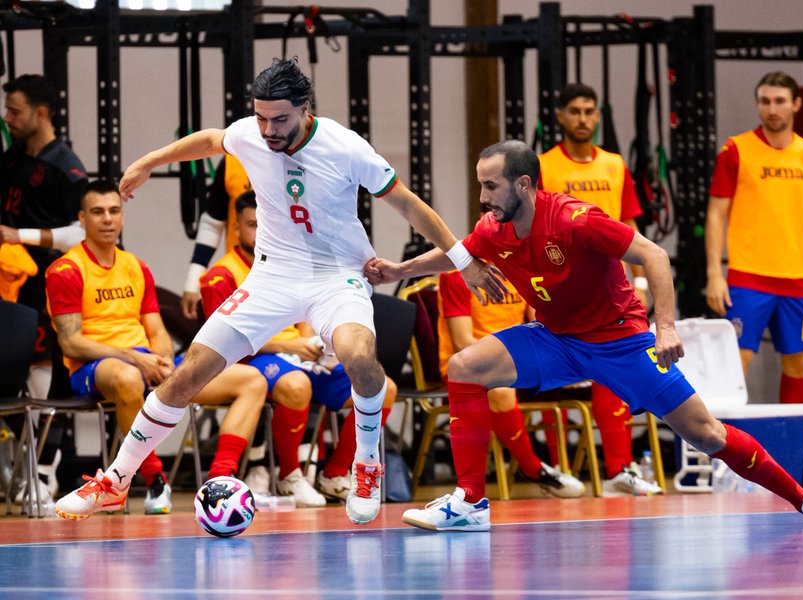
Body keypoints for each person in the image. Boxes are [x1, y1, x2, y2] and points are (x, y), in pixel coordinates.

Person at [55, 57, 504, 526]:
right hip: (272, 276)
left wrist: (463, 261)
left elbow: (411, 207)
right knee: (188, 375)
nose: (268, 129)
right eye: (261, 117)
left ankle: (366, 463)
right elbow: (211, 139)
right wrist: (149, 161)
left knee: (360, 358)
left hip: (337, 275)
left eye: (280, 119)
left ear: (306, 109)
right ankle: (116, 480)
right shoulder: (252, 131)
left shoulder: (345, 147)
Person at [365, 139, 803, 531]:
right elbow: (459, 253)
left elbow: (655, 255)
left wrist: (664, 325)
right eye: (480, 186)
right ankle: (471, 501)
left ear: (523, 184)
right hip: (555, 339)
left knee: (706, 434)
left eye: (491, 187)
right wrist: (398, 270)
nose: (482, 197)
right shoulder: (494, 228)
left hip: (619, 343)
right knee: (465, 367)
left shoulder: (576, 221)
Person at [47, 180, 267, 518]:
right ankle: (152, 480)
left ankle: (221, 477)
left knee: (251, 379)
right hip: (96, 367)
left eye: (114, 211)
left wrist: (163, 359)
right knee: (128, 377)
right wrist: (136, 357)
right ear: (82, 219)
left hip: (146, 360)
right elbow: (71, 341)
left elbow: (156, 329)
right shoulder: (66, 270)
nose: (108, 219)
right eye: (98, 212)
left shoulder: (136, 266)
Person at [198, 191, 398, 506]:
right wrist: (291, 345)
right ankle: (290, 476)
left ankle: (335, 474)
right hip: (254, 361)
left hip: (298, 355)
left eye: (267, 224)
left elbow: (308, 317)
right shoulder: (220, 275)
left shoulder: (292, 264)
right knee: (296, 384)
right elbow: (222, 345)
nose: (261, 232)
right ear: (236, 228)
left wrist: (314, 345)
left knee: (383, 388)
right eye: (252, 225)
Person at [538, 82, 660, 495]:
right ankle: (558, 470)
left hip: (611, 289)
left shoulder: (614, 164)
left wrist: (640, 281)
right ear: (560, 116)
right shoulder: (543, 166)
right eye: (574, 111)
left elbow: (630, 228)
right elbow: (526, 230)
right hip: (557, 287)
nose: (583, 119)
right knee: (555, 375)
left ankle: (618, 471)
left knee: (614, 370)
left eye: (590, 111)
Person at [705, 72, 803, 404]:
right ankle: (729, 454)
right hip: (747, 277)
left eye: (780, 101)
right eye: (765, 101)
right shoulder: (735, 149)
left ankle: (793, 452)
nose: (772, 109)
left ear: (796, 104)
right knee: (736, 363)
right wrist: (715, 273)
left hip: (798, 279)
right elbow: (716, 214)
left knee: (800, 363)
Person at [0, 74, 88, 501]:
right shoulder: (13, 157)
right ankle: (19, 469)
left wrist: (21, 237)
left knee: (43, 378)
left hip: (45, 289)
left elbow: (83, 232)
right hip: (8, 284)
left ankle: (40, 470)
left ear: (40, 113)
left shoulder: (65, 166)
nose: (7, 118)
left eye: (15, 110)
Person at [437, 269, 583, 498]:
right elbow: (462, 341)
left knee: (591, 370)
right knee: (501, 391)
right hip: (466, 364)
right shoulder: (456, 276)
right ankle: (533, 468)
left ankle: (593, 469)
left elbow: (540, 325)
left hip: (514, 360)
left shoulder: (521, 270)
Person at [182, 154, 252, 320]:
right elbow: (213, 223)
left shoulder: (304, 157)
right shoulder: (234, 160)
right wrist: (192, 281)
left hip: (288, 271)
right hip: (240, 275)